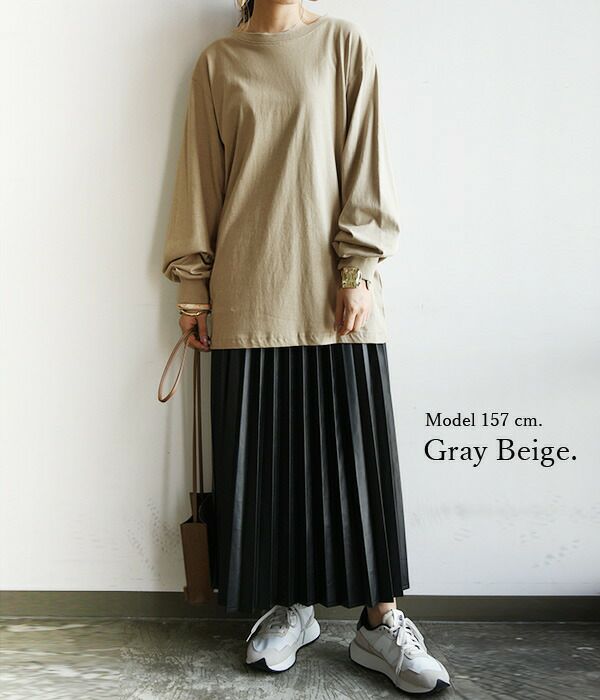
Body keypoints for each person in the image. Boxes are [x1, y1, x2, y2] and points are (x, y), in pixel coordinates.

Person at [162, 0, 451, 693]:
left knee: (356, 465)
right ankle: (293, 609)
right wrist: (194, 287)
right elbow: (200, 181)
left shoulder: (343, 45)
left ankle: (380, 623)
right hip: (248, 296)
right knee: (270, 470)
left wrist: (357, 269)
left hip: (336, 300)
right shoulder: (217, 63)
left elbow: (366, 163)